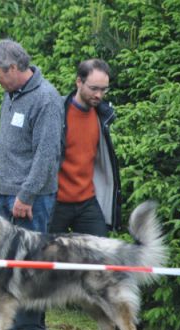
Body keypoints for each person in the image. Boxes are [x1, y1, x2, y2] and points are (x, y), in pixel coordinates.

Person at [0, 39, 63, 330]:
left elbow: (46, 156)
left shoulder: (46, 99)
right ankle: (9, 323)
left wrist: (26, 195)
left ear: (15, 68)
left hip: (30, 198)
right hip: (5, 193)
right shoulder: (12, 94)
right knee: (6, 260)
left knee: (30, 262)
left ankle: (30, 328)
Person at [49, 58, 121, 236]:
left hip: (87, 201)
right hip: (55, 202)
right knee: (46, 259)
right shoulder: (56, 111)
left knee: (101, 257)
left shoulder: (102, 116)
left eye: (103, 90)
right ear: (79, 82)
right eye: (94, 88)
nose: (99, 95)